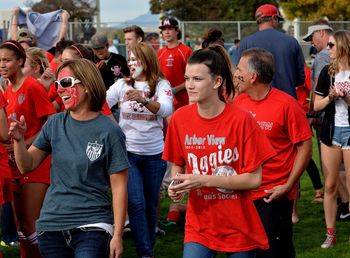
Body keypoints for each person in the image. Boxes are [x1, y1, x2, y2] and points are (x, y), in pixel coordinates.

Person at [163, 44, 276, 258]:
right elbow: (177, 163)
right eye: (187, 79)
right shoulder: (179, 119)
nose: (189, 85)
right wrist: (176, 184)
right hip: (199, 225)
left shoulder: (241, 120)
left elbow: (254, 179)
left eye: (197, 79)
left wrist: (205, 180)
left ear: (217, 82)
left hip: (238, 226)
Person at [8, 58, 129, 258]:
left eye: (66, 84)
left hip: (93, 224)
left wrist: (117, 234)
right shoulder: (54, 124)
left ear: (88, 86)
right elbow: (26, 166)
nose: (60, 90)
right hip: (52, 224)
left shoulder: (110, 131)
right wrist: (19, 141)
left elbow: (119, 187)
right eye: (58, 85)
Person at [234, 48, 312, 258]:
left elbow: (305, 146)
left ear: (253, 76)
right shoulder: (238, 103)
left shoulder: (287, 105)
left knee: (275, 252)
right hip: (244, 191)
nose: (235, 74)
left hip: (273, 194)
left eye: (239, 69)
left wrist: (288, 186)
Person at [106, 42, 173, 258]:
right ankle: (145, 253)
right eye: (130, 59)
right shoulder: (122, 85)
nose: (132, 63)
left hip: (155, 154)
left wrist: (143, 99)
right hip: (129, 153)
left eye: (137, 59)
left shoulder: (162, 85)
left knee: (151, 205)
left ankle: (148, 244)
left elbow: (165, 110)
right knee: (135, 202)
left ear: (148, 61)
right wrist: (112, 124)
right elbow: (101, 101)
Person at [0, 40, 56, 258]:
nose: (2, 65)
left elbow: (51, 122)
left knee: (31, 226)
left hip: (35, 164)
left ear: (20, 61)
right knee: (21, 227)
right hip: (14, 164)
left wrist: (24, 143)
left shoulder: (32, 86)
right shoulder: (7, 90)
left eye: (7, 60)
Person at [313, 30, 350, 248]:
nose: (328, 49)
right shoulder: (328, 72)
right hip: (331, 133)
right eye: (327, 45)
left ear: (343, 46)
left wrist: (344, 96)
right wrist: (330, 97)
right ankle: (330, 233)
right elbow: (316, 106)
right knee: (330, 185)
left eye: (332, 45)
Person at [238, 4, 305, 99]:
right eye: (278, 19)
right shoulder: (291, 41)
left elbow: (240, 76)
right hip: (286, 101)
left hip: (256, 101)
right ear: (274, 18)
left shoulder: (245, 43)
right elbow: (300, 78)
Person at [158, 18, 192, 110]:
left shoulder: (186, 51)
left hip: (183, 100)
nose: (166, 32)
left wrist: (176, 89)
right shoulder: (160, 53)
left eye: (170, 29)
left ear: (177, 31)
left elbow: (193, 77)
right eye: (164, 29)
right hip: (165, 100)